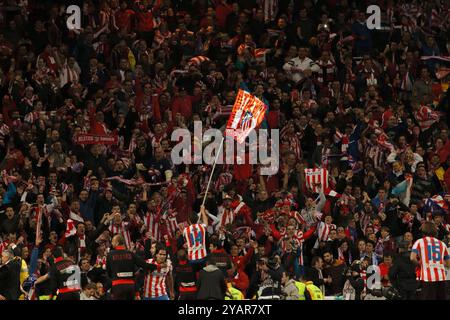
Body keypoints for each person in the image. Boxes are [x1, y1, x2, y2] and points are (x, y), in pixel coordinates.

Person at [106, 235, 156, 300]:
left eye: (112, 241)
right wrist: (156, 266)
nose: (111, 243)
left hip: (117, 286)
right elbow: (144, 265)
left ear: (117, 243)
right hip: (130, 286)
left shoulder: (110, 254)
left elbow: (109, 272)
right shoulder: (131, 254)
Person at [410, 222, 450, 300]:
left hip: (427, 278)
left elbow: (412, 258)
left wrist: (420, 264)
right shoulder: (442, 244)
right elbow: (448, 263)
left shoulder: (419, 242)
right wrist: (439, 263)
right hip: (441, 277)